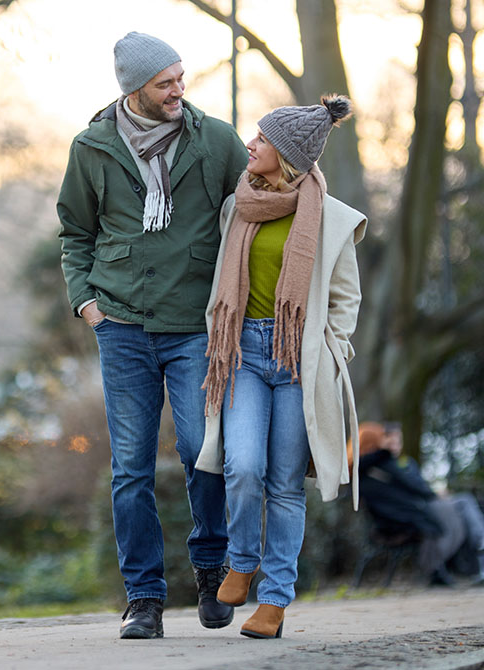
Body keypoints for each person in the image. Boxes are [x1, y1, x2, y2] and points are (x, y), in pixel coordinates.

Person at [57, 32, 248, 639]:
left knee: (201, 452)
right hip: (122, 324)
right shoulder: (91, 147)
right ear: (133, 89)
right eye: (165, 84)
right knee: (131, 468)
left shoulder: (215, 139)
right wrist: (86, 302)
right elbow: (74, 232)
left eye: (180, 78)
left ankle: (212, 570)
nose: (178, 92)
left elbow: (253, 207)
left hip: (195, 324)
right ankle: (144, 598)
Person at [195, 95, 366, 639]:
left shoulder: (332, 220)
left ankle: (274, 601)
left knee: (286, 486)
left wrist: (330, 348)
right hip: (242, 353)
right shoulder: (237, 208)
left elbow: (346, 300)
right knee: (242, 466)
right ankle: (242, 561)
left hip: (299, 361)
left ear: (288, 155)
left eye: (263, 140)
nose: (251, 144)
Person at [358, 421, 484, 585]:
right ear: (376, 443)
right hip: (405, 518)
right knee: (461, 505)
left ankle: (474, 552)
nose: (393, 446)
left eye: (398, 441)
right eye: (387, 441)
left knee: (463, 504)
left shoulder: (382, 467)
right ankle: (476, 548)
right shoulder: (382, 467)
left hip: (412, 512)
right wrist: (434, 494)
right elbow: (414, 490)